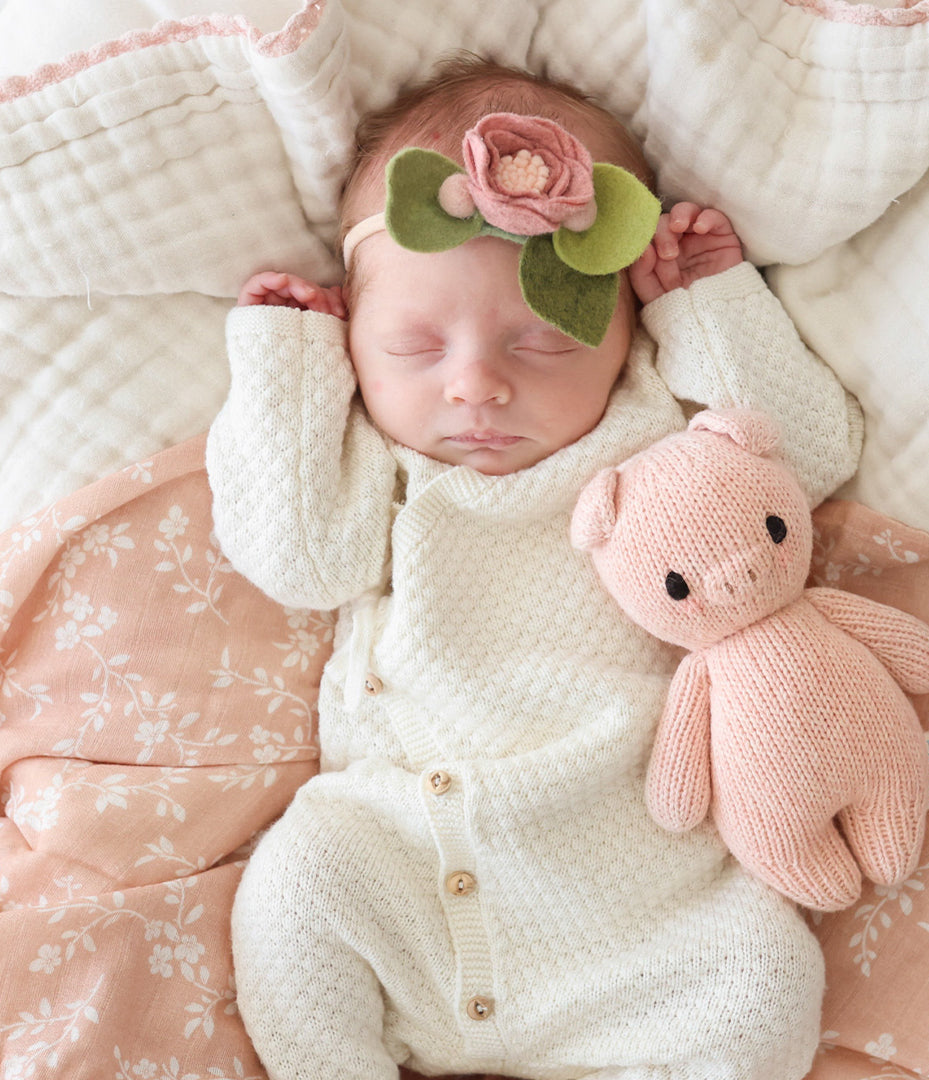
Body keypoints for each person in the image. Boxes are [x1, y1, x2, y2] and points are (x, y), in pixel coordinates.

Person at [207, 55, 863, 1080]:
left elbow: (804, 457)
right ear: (355, 342)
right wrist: (289, 366)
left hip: (647, 903)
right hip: (410, 861)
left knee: (764, 984)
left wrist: (703, 304)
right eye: (415, 348)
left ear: (623, 333)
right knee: (297, 885)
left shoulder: (657, 428)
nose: (476, 387)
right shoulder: (380, 470)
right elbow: (296, 560)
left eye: (543, 346)